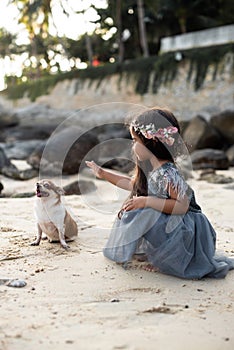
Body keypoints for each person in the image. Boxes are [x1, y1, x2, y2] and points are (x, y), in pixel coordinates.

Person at [86, 107, 234, 279]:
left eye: (135, 141)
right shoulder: (152, 169)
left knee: (146, 210)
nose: (133, 146)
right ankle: (156, 254)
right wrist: (103, 173)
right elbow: (130, 184)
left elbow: (181, 206)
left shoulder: (168, 173)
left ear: (152, 142)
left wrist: (146, 201)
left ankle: (169, 259)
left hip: (186, 231)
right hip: (171, 223)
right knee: (137, 208)